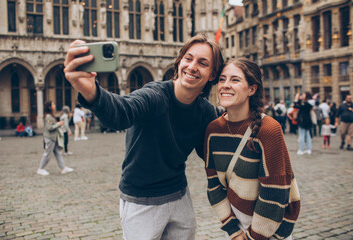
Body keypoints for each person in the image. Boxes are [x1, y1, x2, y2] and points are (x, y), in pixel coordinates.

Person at [63, 34, 223, 240]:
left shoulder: (205, 111)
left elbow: (214, 156)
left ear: (212, 75)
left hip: (179, 196)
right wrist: (91, 90)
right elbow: (121, 112)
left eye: (203, 63)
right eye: (188, 58)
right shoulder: (155, 96)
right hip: (141, 200)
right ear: (179, 62)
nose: (192, 66)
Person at [204, 57, 300, 240]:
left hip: (269, 230)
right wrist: (233, 230)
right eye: (222, 79)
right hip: (235, 229)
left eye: (235, 80)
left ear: (252, 89)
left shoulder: (269, 129)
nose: (225, 85)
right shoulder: (213, 130)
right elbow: (213, 184)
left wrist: (252, 237)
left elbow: (274, 192)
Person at [37, 101, 74, 176]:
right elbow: (49, 127)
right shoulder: (48, 116)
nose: (54, 105)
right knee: (47, 154)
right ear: (49, 107)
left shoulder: (51, 116)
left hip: (54, 137)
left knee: (58, 153)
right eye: (53, 104)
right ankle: (40, 169)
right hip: (50, 138)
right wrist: (58, 124)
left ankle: (63, 168)